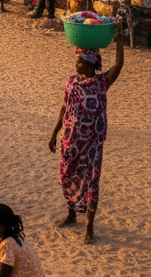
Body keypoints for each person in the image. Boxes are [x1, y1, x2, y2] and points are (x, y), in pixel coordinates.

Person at [49, 29, 123, 243]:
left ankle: (89, 226)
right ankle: (72, 214)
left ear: (92, 65)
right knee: (67, 177)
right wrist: (55, 132)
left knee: (91, 182)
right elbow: (64, 107)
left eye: (81, 61)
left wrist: (119, 37)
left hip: (91, 144)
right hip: (70, 141)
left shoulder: (101, 83)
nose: (77, 64)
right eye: (78, 60)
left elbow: (118, 65)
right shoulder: (72, 81)